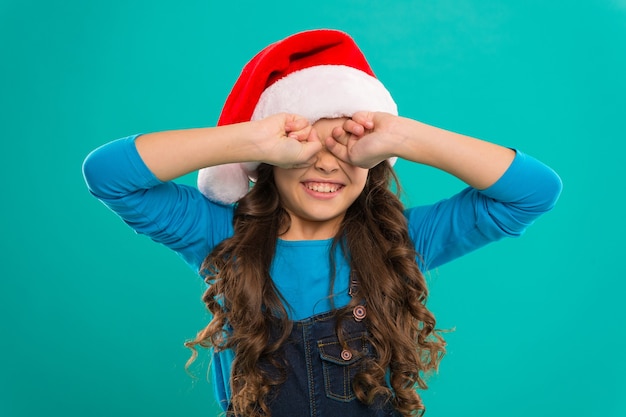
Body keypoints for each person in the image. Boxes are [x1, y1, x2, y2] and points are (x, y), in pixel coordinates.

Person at [82, 29, 562, 417]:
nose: (327, 164)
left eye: (345, 148)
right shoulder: (218, 235)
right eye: (307, 148)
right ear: (269, 159)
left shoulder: (402, 241)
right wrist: (250, 140)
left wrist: (403, 136)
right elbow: (108, 175)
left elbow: (534, 191)